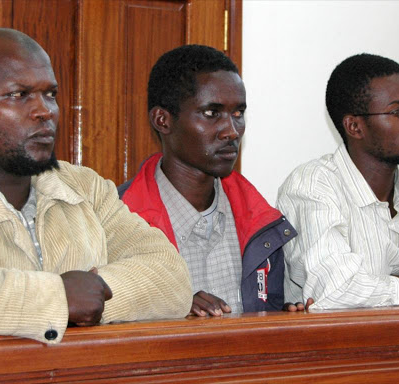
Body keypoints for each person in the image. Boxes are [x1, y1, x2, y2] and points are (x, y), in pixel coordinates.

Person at [0, 28, 192, 344]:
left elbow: (171, 276)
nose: (44, 111)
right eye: (18, 95)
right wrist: (58, 299)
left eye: (50, 94)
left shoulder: (83, 187)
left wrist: (93, 297)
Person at [118, 45, 299, 316]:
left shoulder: (261, 221)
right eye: (212, 113)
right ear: (163, 120)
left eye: (238, 113)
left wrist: (283, 319)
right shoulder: (117, 218)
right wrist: (168, 310)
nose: (231, 131)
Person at [277, 53, 399, 309]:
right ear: (354, 127)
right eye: (398, 112)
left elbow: (357, 288)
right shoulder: (312, 186)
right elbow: (337, 290)